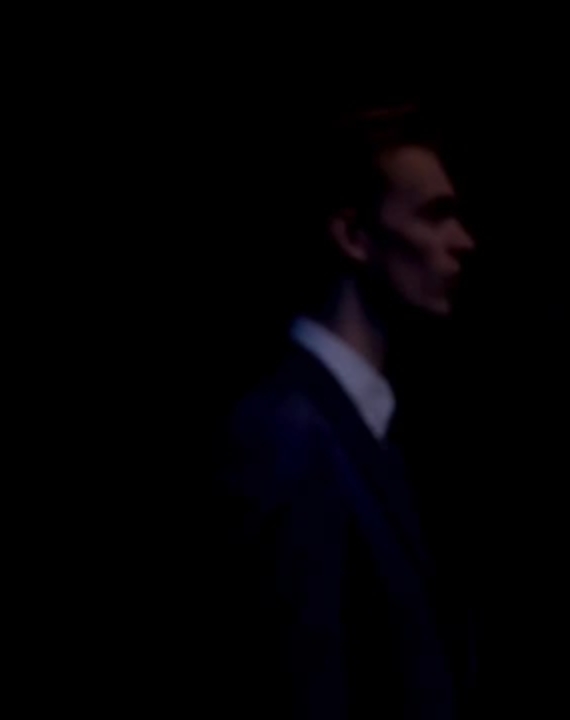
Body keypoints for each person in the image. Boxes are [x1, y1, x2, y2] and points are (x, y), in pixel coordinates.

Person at [210, 104, 477, 718]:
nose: (463, 241)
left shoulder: (359, 428)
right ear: (354, 236)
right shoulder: (284, 433)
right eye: (434, 215)